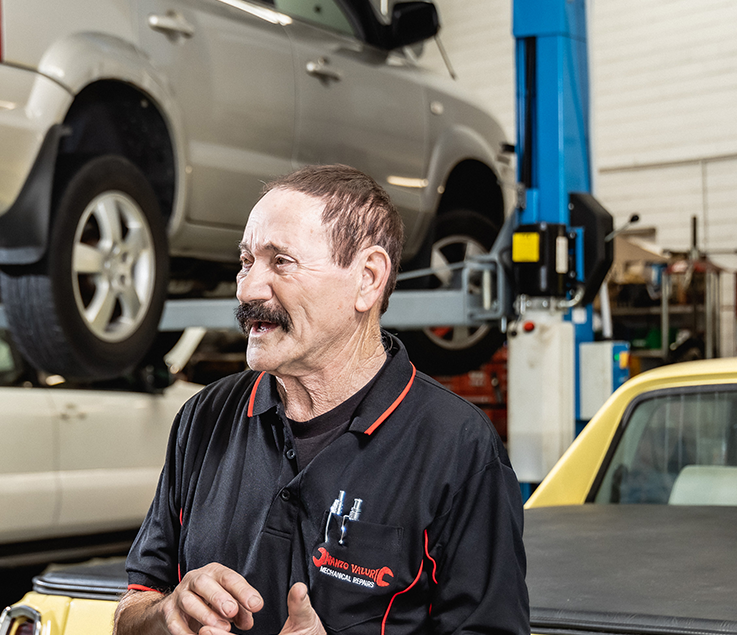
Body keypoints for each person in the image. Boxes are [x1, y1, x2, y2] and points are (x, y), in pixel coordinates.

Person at [115, 165, 528, 635]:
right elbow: (135, 604)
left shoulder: (456, 447)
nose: (248, 289)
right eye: (247, 260)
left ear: (368, 279)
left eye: (281, 262)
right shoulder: (205, 418)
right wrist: (168, 616)